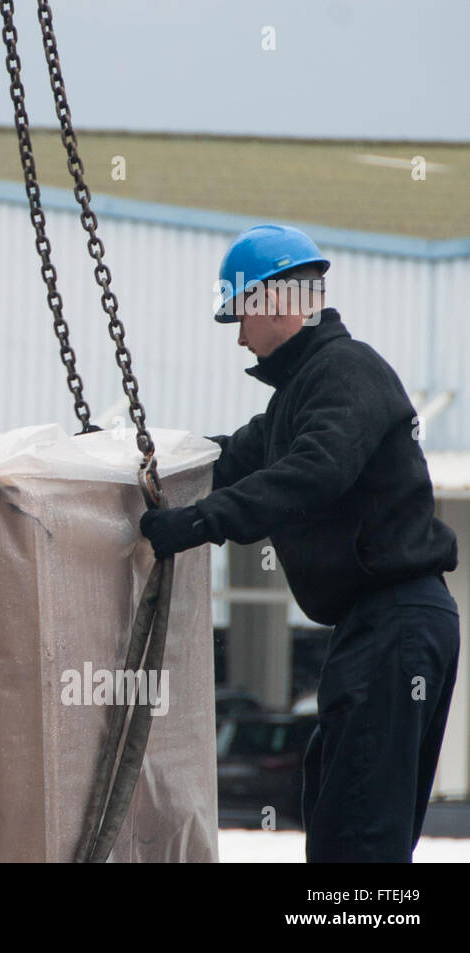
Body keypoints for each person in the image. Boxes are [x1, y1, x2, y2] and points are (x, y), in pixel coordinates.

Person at [139, 223, 460, 862]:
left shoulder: (346, 372)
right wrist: (132, 465)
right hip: (375, 628)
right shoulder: (300, 394)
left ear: (273, 302)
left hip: (394, 625)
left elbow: (316, 472)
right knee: (340, 811)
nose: (238, 336)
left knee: (358, 833)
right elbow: (225, 460)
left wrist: (201, 524)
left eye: (239, 316)